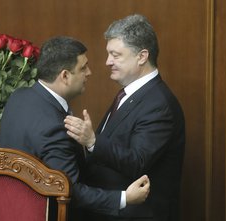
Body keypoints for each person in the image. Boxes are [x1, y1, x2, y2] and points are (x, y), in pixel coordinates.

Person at [0, 36, 150, 221]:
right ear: (65, 76)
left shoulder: (19, 97)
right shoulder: (56, 128)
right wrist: (125, 198)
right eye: (83, 67)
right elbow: (69, 191)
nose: (89, 73)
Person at [64, 14, 185, 221]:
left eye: (116, 55)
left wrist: (92, 141)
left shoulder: (159, 104)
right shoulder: (132, 93)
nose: (107, 62)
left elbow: (137, 160)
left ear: (142, 56)